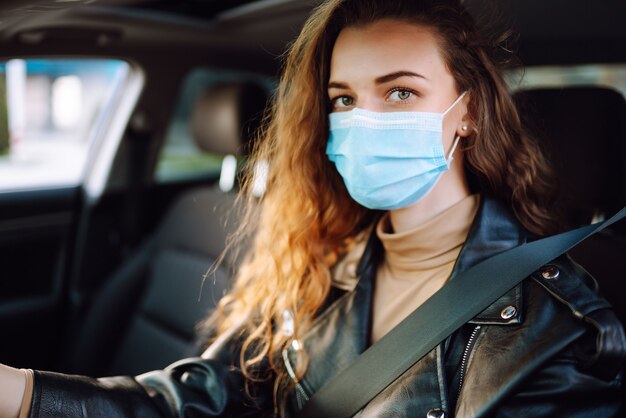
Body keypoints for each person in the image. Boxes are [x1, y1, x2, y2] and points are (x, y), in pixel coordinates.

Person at [1, 0, 625, 416]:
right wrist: (21, 391)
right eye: (344, 99)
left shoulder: (559, 332)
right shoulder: (320, 263)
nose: (365, 119)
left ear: (467, 112)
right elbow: (195, 400)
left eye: (400, 91)